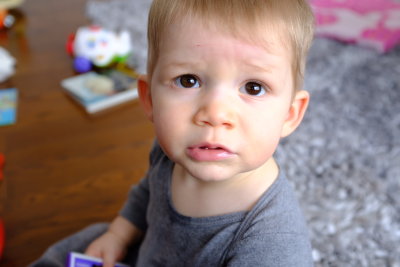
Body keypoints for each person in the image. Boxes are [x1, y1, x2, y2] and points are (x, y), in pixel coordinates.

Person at [31, 0, 315, 266]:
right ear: (150, 99)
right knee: (79, 245)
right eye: (188, 80)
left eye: (253, 87)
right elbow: (148, 192)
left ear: (290, 114)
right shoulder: (173, 151)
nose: (215, 114)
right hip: (148, 252)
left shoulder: (273, 242)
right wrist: (118, 234)